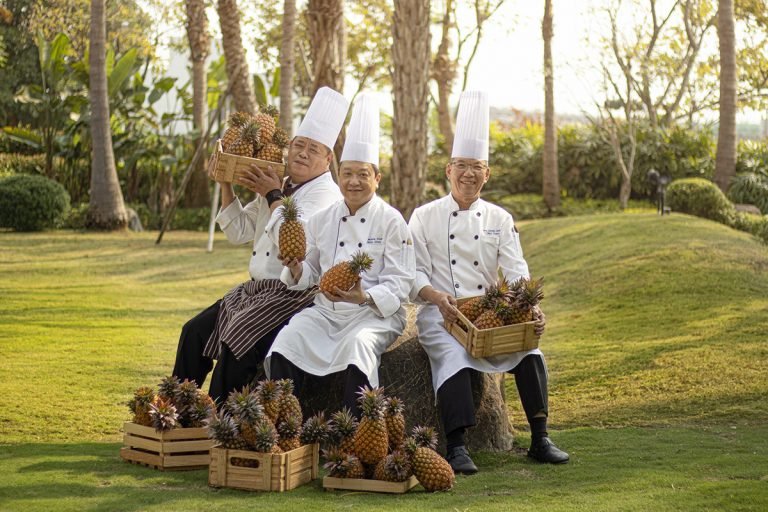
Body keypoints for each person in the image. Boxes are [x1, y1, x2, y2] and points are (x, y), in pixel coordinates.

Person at [409, 90, 569, 474]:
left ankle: (540, 438)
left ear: (487, 173)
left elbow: (516, 270)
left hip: (489, 312)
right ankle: (458, 445)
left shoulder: (499, 218)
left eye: (476, 166)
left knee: (531, 353)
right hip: (442, 313)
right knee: (452, 358)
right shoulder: (424, 216)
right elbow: (410, 272)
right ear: (448, 170)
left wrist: (528, 307)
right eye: (461, 165)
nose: (468, 174)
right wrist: (433, 294)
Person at [172, 87, 350, 404]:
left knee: (236, 338)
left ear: (328, 158)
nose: (302, 153)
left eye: (313, 149)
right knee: (194, 330)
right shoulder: (278, 182)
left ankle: (219, 422)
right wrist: (225, 181)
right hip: (255, 290)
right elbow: (239, 231)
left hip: (293, 295)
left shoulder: (325, 196)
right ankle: (175, 407)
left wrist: (271, 195)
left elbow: (292, 241)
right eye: (298, 145)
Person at [265, 93, 415, 416]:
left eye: (363, 174)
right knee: (288, 339)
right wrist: (294, 268)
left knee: (357, 346)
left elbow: (401, 283)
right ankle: (285, 423)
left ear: (377, 178)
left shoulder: (392, 221)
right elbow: (312, 273)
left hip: (373, 316)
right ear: (339, 174)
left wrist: (365, 297)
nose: (354, 181)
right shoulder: (323, 219)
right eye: (347, 173)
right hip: (326, 312)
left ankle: (353, 433)